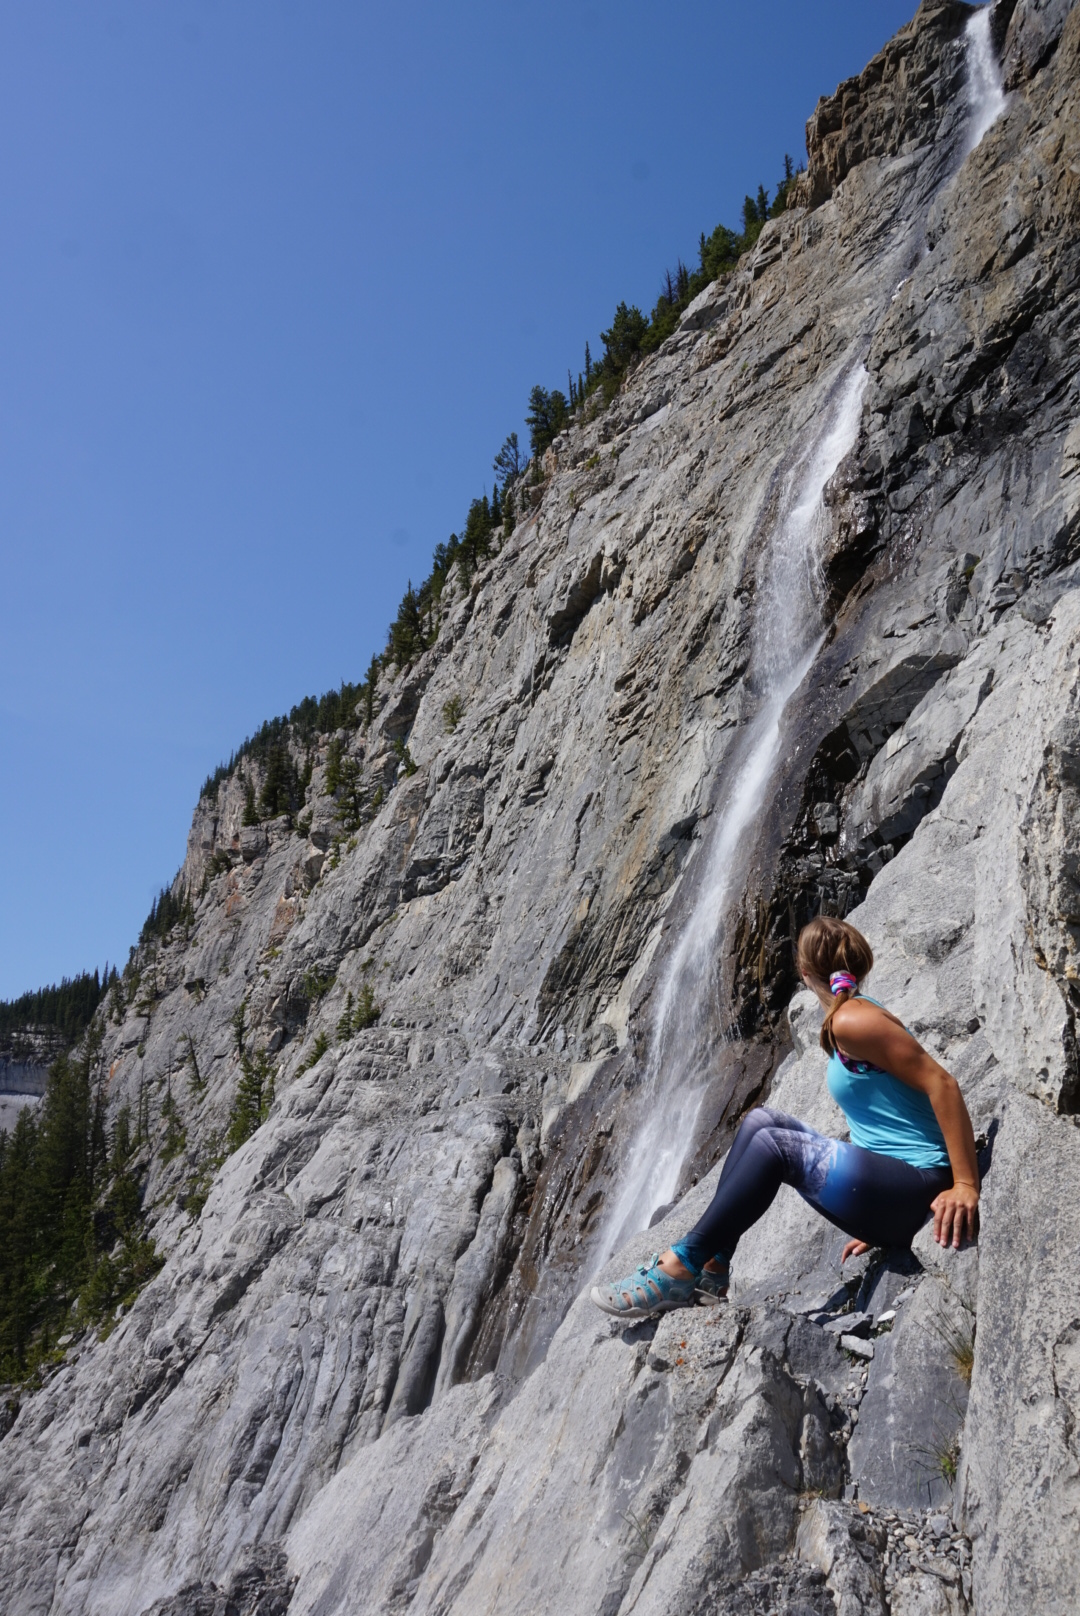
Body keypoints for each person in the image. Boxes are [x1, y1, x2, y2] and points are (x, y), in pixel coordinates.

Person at [591, 915, 981, 1319]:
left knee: (774, 1147)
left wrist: (965, 1184)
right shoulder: (850, 1015)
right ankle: (712, 1267)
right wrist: (876, 1210)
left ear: (803, 971)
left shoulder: (854, 1020)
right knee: (760, 1121)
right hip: (895, 1190)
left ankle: (678, 1266)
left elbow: (943, 1084)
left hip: (923, 1186)